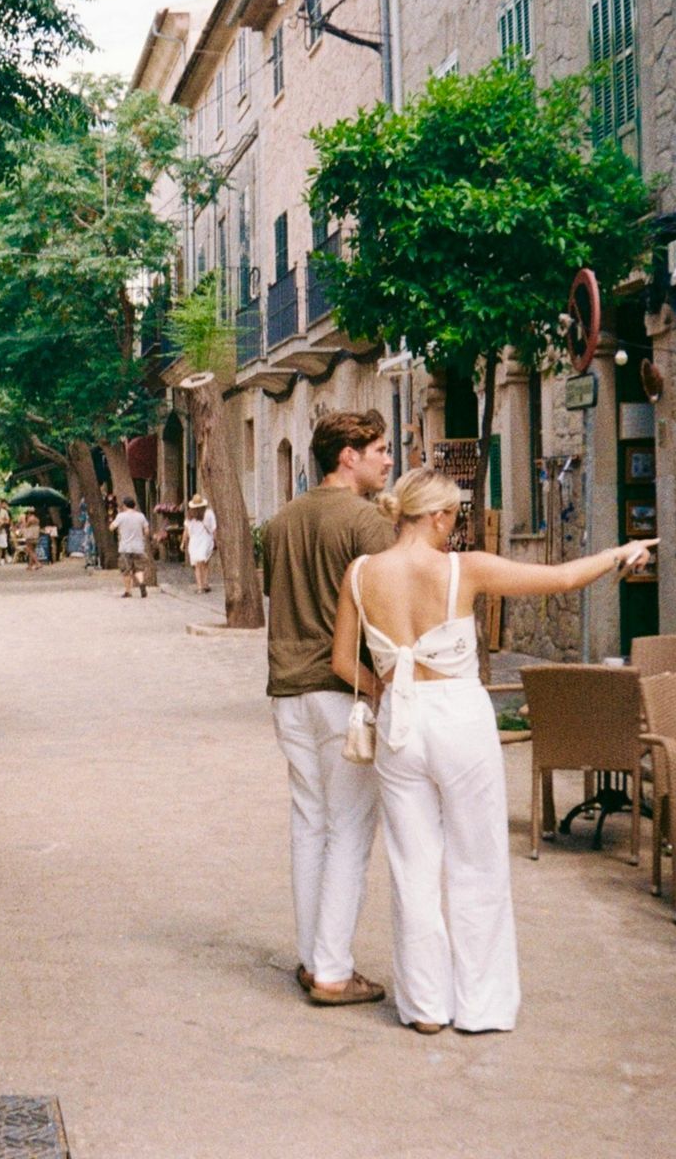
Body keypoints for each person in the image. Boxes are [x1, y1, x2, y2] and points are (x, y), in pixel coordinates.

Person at [332, 469, 656, 1035]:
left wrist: (388, 686)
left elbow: (341, 662)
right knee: (477, 863)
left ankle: (426, 1008)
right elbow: (558, 579)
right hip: (458, 718)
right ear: (435, 516)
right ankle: (479, 1006)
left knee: (413, 868)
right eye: (454, 517)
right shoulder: (465, 569)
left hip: (399, 725)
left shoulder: (360, 574)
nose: (455, 528)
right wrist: (618, 553)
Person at [262, 409, 396, 1009]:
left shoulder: (282, 521)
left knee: (308, 825)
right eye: (380, 450)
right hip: (345, 690)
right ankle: (335, 970)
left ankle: (313, 957)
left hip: (288, 690)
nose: (388, 460)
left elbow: (278, 595)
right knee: (348, 831)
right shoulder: (366, 522)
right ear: (349, 455)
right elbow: (388, 611)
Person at [110, 496, 151, 598]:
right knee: (139, 569)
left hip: (125, 547)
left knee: (126, 570)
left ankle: (128, 591)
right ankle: (141, 583)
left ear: (124, 506)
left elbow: (111, 527)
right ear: (134, 506)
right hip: (138, 547)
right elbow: (146, 531)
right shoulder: (141, 516)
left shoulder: (120, 516)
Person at [184, 494, 218, 593]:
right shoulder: (209, 513)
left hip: (194, 542)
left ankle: (200, 586)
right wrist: (215, 540)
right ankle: (205, 583)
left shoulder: (189, 516)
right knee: (205, 562)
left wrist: (183, 543)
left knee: (197, 565)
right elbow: (214, 528)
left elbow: (186, 532)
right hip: (206, 540)